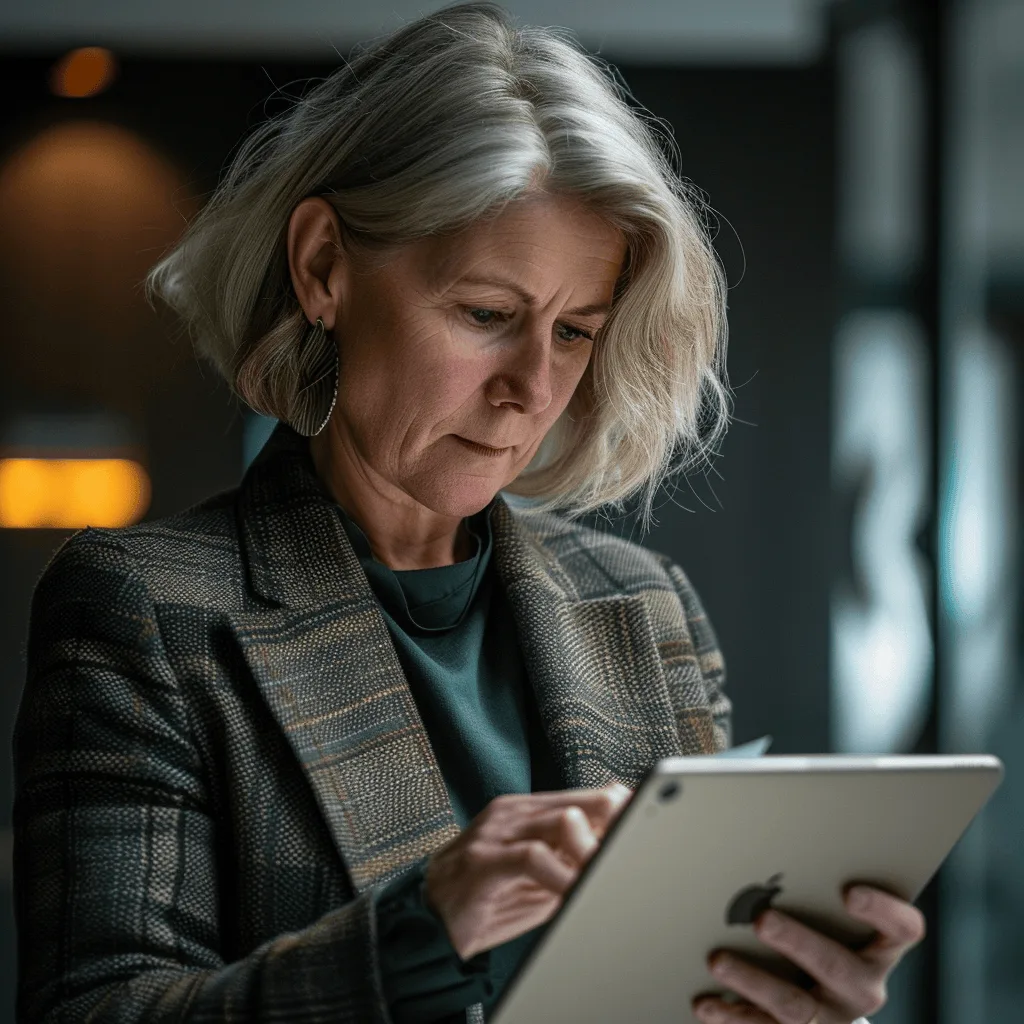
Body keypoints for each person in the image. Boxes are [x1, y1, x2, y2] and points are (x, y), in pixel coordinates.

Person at [12, 3, 924, 1023]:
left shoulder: (644, 606)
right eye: (487, 315)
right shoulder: (146, 611)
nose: (534, 388)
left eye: (575, 330)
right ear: (323, 267)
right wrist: (419, 928)